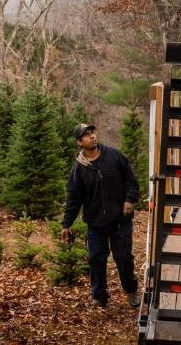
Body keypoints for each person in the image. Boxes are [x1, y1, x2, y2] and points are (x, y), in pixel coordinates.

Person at [60, 123, 141, 308]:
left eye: (93, 133)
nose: (93, 136)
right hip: (96, 223)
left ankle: (131, 290)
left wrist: (130, 199)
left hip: (120, 220)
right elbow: (74, 198)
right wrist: (66, 224)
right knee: (96, 258)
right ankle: (99, 296)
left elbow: (131, 179)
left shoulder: (114, 155)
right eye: (87, 135)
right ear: (80, 142)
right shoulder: (79, 168)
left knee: (123, 258)